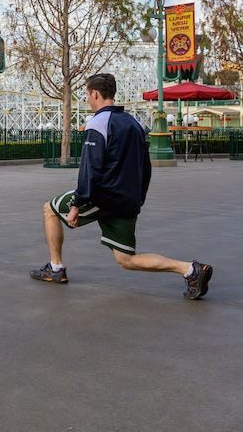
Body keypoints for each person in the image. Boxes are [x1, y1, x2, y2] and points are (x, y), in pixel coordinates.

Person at [30, 73, 213, 299]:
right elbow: (145, 166)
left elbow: (90, 169)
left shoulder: (97, 123)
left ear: (94, 94)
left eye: (87, 95)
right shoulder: (134, 123)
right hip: (127, 199)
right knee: (126, 259)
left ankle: (56, 269)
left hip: (102, 197)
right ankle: (189, 270)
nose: (87, 100)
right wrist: (138, 198)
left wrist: (77, 205)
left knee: (50, 208)